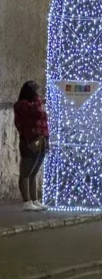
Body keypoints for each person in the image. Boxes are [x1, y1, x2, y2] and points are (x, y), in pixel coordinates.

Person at [13, 80, 49, 211]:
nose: (39, 94)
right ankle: (26, 201)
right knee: (26, 172)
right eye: (37, 91)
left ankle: (35, 200)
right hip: (30, 140)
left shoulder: (34, 103)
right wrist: (38, 100)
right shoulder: (22, 105)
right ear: (31, 92)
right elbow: (36, 113)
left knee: (34, 171)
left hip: (41, 139)